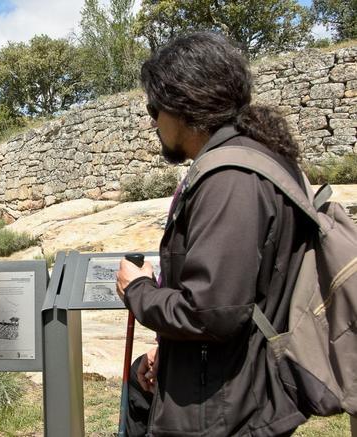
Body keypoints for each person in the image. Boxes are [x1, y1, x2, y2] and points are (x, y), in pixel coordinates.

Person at [116, 32, 311, 436]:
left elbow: (210, 312)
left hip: (225, 414)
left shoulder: (231, 178)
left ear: (184, 104)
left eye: (155, 108)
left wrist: (136, 290)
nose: (153, 121)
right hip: (231, 395)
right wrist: (167, 352)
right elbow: (235, 298)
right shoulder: (248, 161)